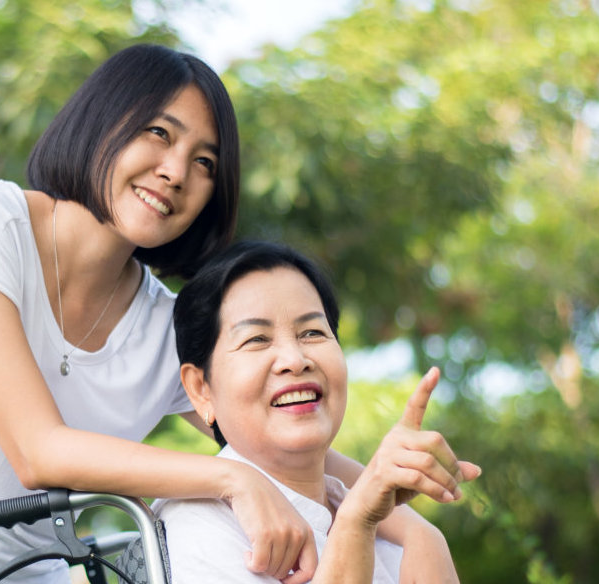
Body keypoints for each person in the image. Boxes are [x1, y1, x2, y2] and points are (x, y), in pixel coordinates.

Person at [0, 45, 446, 583]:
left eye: (203, 162)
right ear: (104, 120)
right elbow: (39, 452)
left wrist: (405, 519)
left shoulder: (162, 327)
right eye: (159, 133)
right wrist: (229, 478)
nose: (175, 171)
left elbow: (266, 430)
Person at [158, 241, 483, 583]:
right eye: (256, 339)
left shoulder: (397, 536)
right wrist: (356, 524)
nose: (295, 360)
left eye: (312, 332)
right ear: (200, 389)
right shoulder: (198, 525)